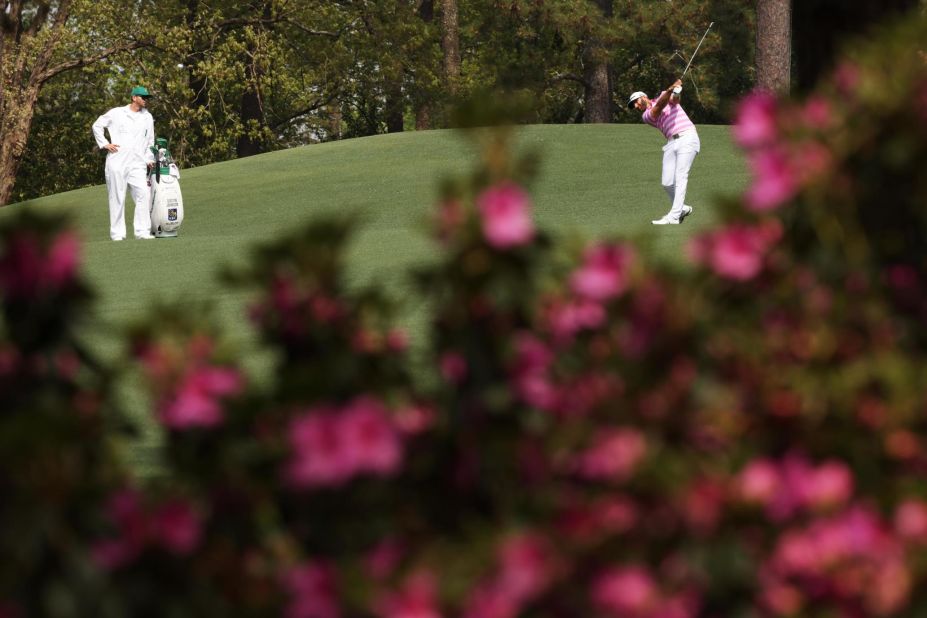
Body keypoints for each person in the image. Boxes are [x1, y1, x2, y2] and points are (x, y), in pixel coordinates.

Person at [628, 78, 700, 225]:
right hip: (671, 143)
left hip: (687, 136)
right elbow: (659, 106)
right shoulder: (646, 116)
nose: (635, 106)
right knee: (667, 182)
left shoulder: (664, 95)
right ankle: (682, 208)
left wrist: (676, 91)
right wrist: (670, 88)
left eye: (635, 102)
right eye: (633, 105)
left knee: (681, 176)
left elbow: (675, 100)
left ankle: (674, 216)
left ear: (643, 96)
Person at [92, 86, 156, 240]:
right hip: (117, 162)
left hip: (138, 163)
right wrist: (105, 144)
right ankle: (117, 234)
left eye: (147, 98)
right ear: (134, 97)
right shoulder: (117, 113)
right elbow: (97, 125)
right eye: (143, 97)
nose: (145, 100)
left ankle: (142, 232)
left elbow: (150, 140)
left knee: (143, 194)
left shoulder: (147, 117)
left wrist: (149, 158)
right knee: (117, 197)